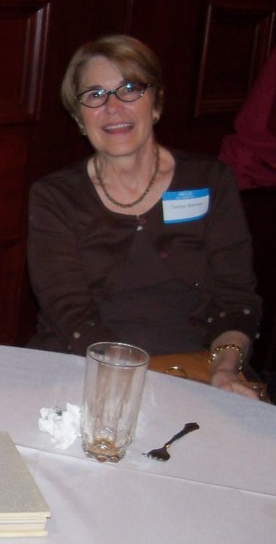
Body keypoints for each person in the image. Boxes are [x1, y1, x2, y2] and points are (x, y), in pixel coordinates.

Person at [27, 34, 263, 399]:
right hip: (84, 369)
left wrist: (224, 367)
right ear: (79, 117)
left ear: (156, 103)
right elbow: (70, 313)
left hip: (200, 369)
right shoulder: (55, 197)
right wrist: (137, 378)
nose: (113, 107)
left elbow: (237, 301)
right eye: (95, 94)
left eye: (130, 89)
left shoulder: (210, 181)